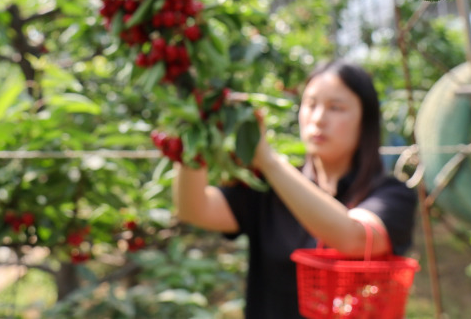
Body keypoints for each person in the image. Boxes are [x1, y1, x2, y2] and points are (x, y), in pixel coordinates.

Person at [173, 60, 418, 319]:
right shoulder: (269, 188)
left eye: (336, 108)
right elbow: (194, 209)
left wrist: (267, 160)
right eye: (310, 104)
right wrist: (194, 135)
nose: (319, 118)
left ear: (364, 120)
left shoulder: (391, 194)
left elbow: (355, 238)